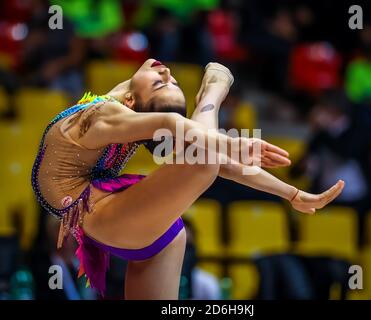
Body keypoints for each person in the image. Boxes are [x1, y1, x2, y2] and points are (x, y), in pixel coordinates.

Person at [31, 58, 344, 299]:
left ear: (132, 107)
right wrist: (234, 144)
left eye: (163, 82)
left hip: (122, 220)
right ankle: (212, 93)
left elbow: (212, 158)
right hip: (117, 217)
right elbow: (182, 132)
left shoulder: (113, 115)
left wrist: (291, 193)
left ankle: (212, 93)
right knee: (203, 152)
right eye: (164, 81)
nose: (166, 73)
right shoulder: (101, 116)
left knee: (202, 154)